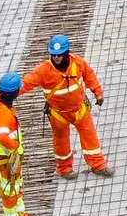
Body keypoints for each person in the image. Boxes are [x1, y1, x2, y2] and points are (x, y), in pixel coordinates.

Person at [21, 34, 113, 180]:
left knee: (90, 138)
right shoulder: (44, 70)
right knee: (61, 142)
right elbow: (26, 83)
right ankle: (64, 169)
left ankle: (98, 165)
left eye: (59, 55)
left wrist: (98, 92)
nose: (56, 57)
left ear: (66, 53)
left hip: (80, 110)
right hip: (58, 114)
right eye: (53, 55)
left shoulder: (78, 63)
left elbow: (89, 76)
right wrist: (7, 94)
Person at [0, 73, 31, 216]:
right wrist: (14, 147)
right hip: (6, 157)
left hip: (8, 156)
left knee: (16, 185)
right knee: (9, 188)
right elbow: (2, 135)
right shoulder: (5, 114)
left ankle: (20, 214)